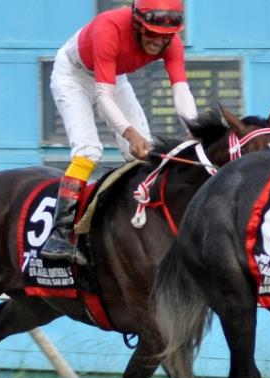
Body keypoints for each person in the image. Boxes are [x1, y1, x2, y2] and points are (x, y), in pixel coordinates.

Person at [41, 0, 198, 264]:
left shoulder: (172, 44)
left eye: (166, 36)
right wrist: (130, 133)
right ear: (137, 24)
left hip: (113, 76)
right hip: (73, 75)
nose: (159, 42)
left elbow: (181, 90)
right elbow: (103, 96)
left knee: (143, 156)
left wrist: (195, 132)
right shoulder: (109, 29)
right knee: (88, 151)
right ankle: (60, 235)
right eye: (152, 33)